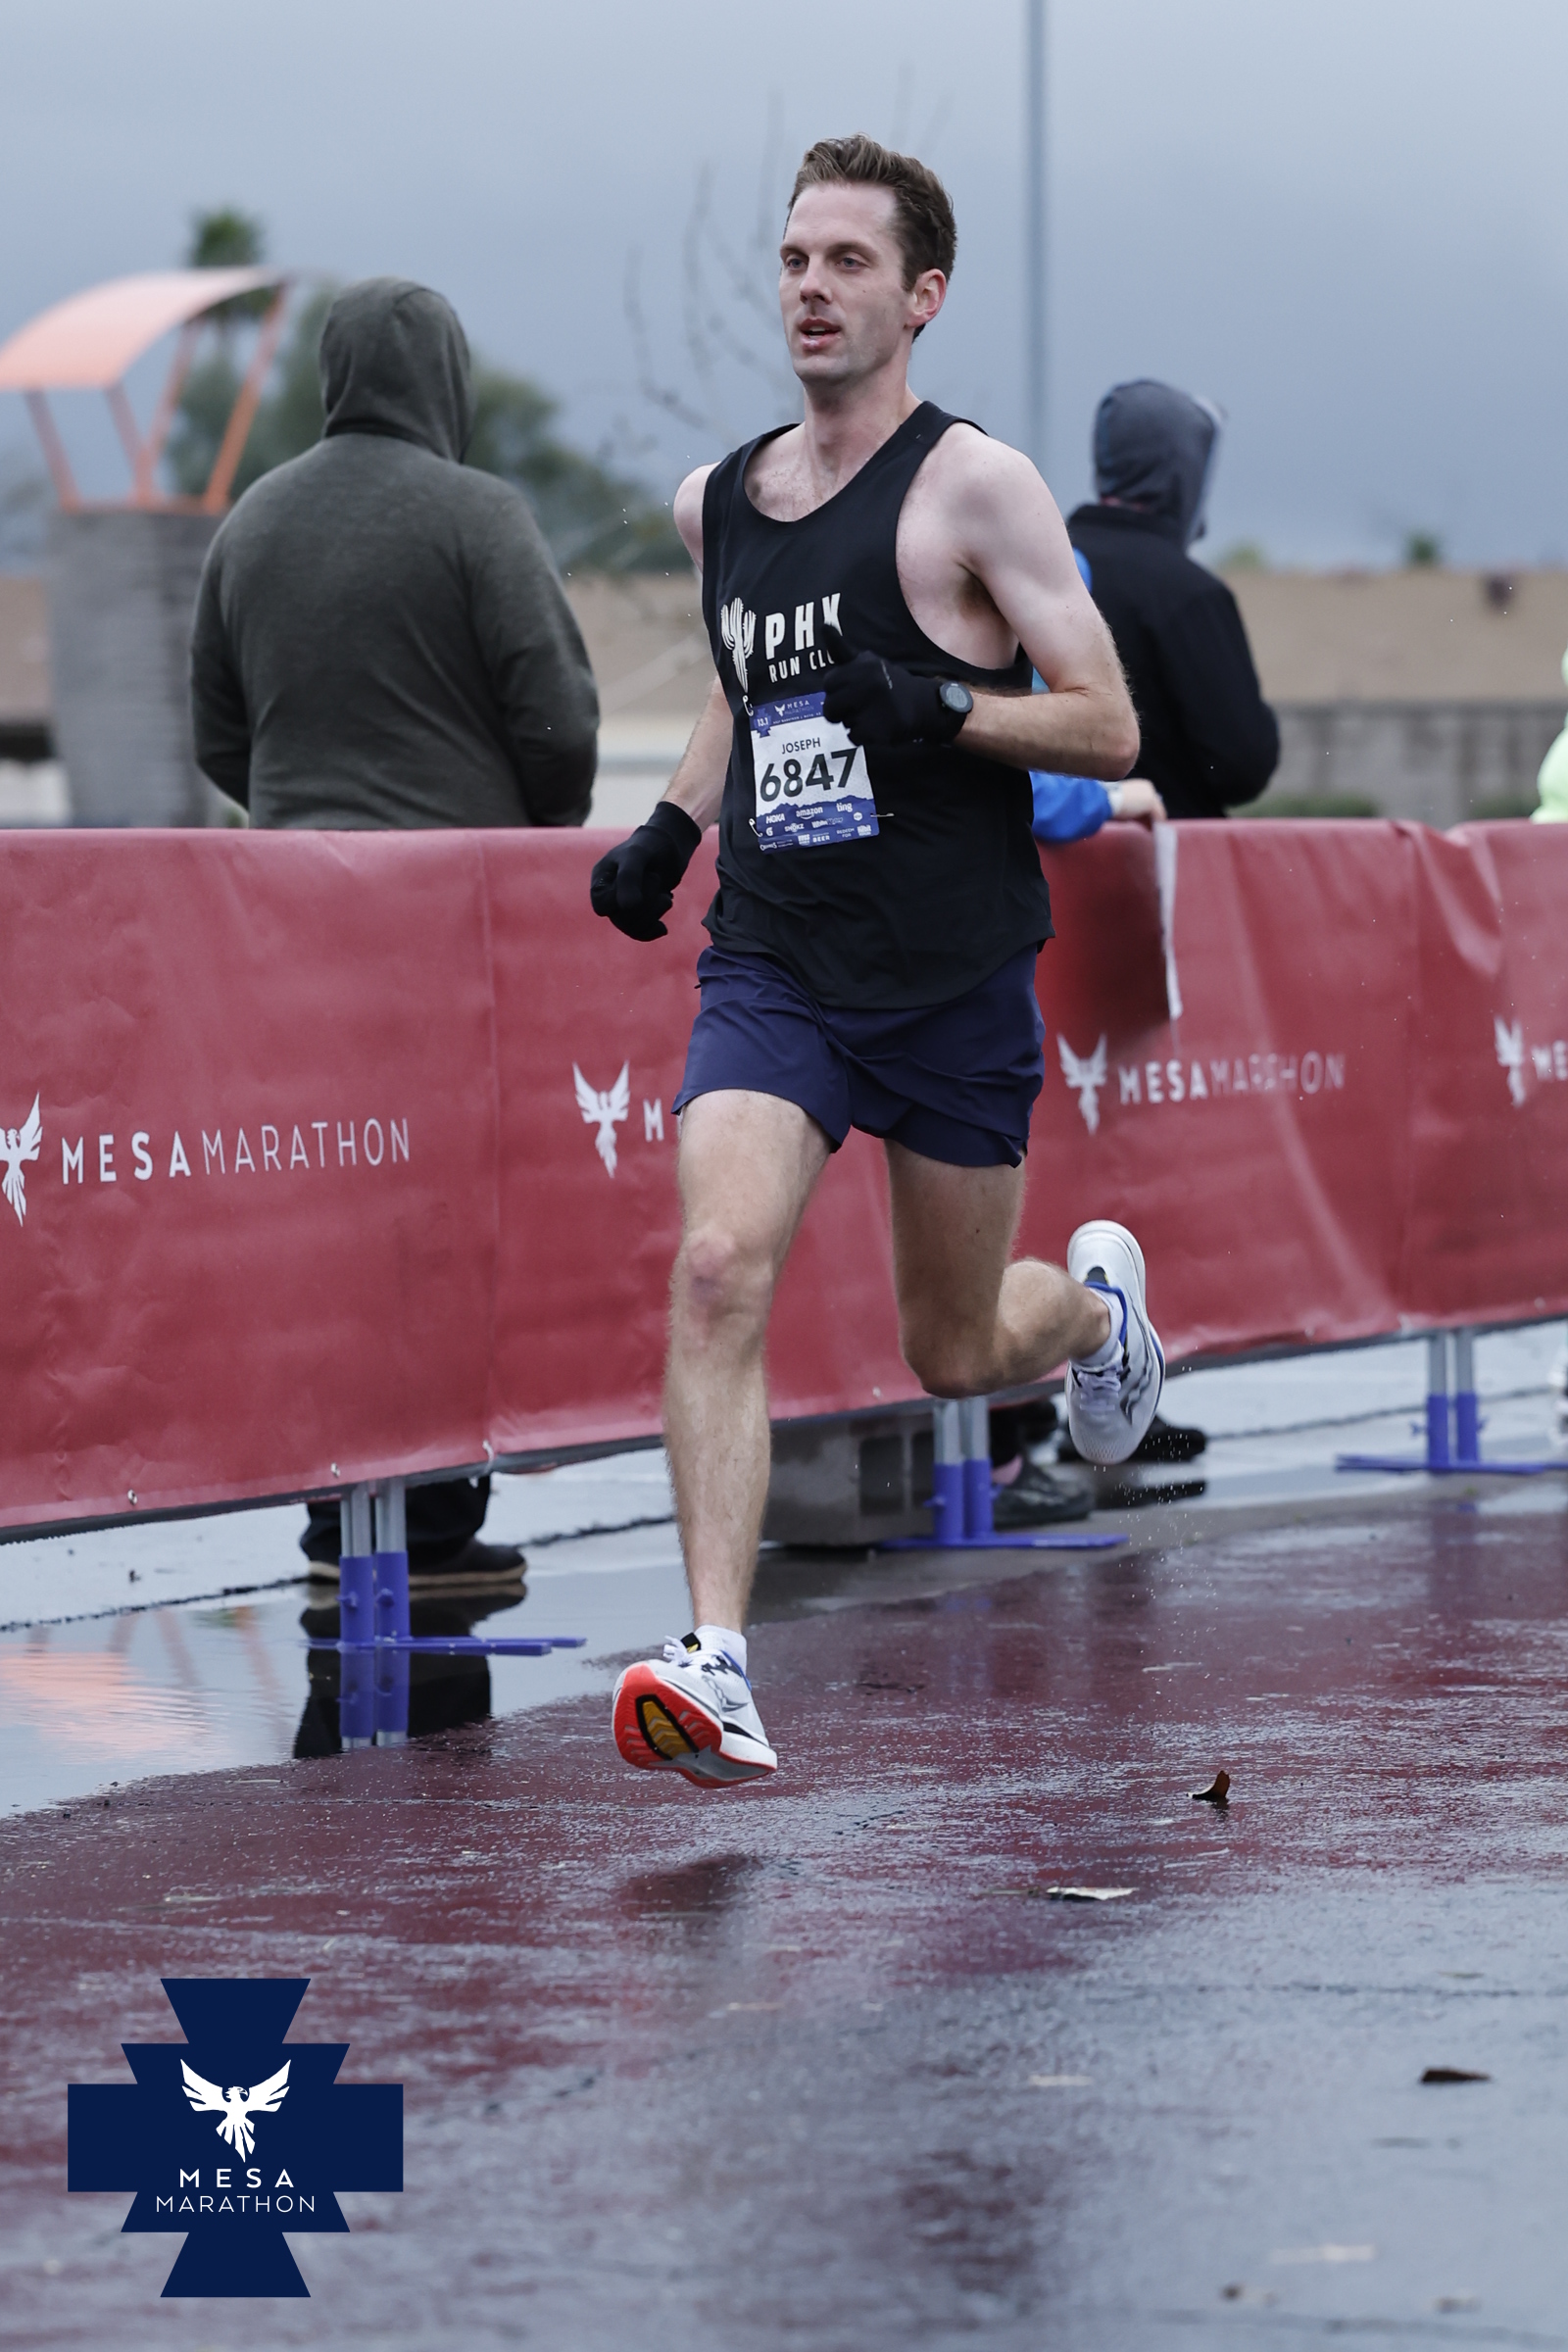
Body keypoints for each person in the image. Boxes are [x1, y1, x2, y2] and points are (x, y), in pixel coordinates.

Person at [589, 135, 1166, 1789]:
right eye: (794, 259)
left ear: (922, 296)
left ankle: (1099, 1318)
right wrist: (672, 827)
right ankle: (716, 1661)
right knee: (718, 1264)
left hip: (952, 971)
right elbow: (745, 687)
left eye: (848, 263)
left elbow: (1112, 724)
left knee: (956, 1350)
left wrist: (944, 706)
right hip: (776, 959)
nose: (812, 289)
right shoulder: (718, 502)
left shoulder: (974, 487)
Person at [191, 276, 600, 1590]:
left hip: (292, 931)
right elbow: (559, 721)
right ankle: (433, 1523)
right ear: (446, 379)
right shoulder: (479, 515)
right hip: (443, 935)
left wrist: (306, 814)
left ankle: (336, 1516)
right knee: (441, 1221)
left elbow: (217, 737)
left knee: (329, 1213)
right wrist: (526, 834)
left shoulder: (251, 523)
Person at [1066, 380, 1278, 820]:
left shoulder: (1043, 564)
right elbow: (1241, 766)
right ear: (1184, 472)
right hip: (1163, 850)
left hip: (1042, 849)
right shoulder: (1188, 593)